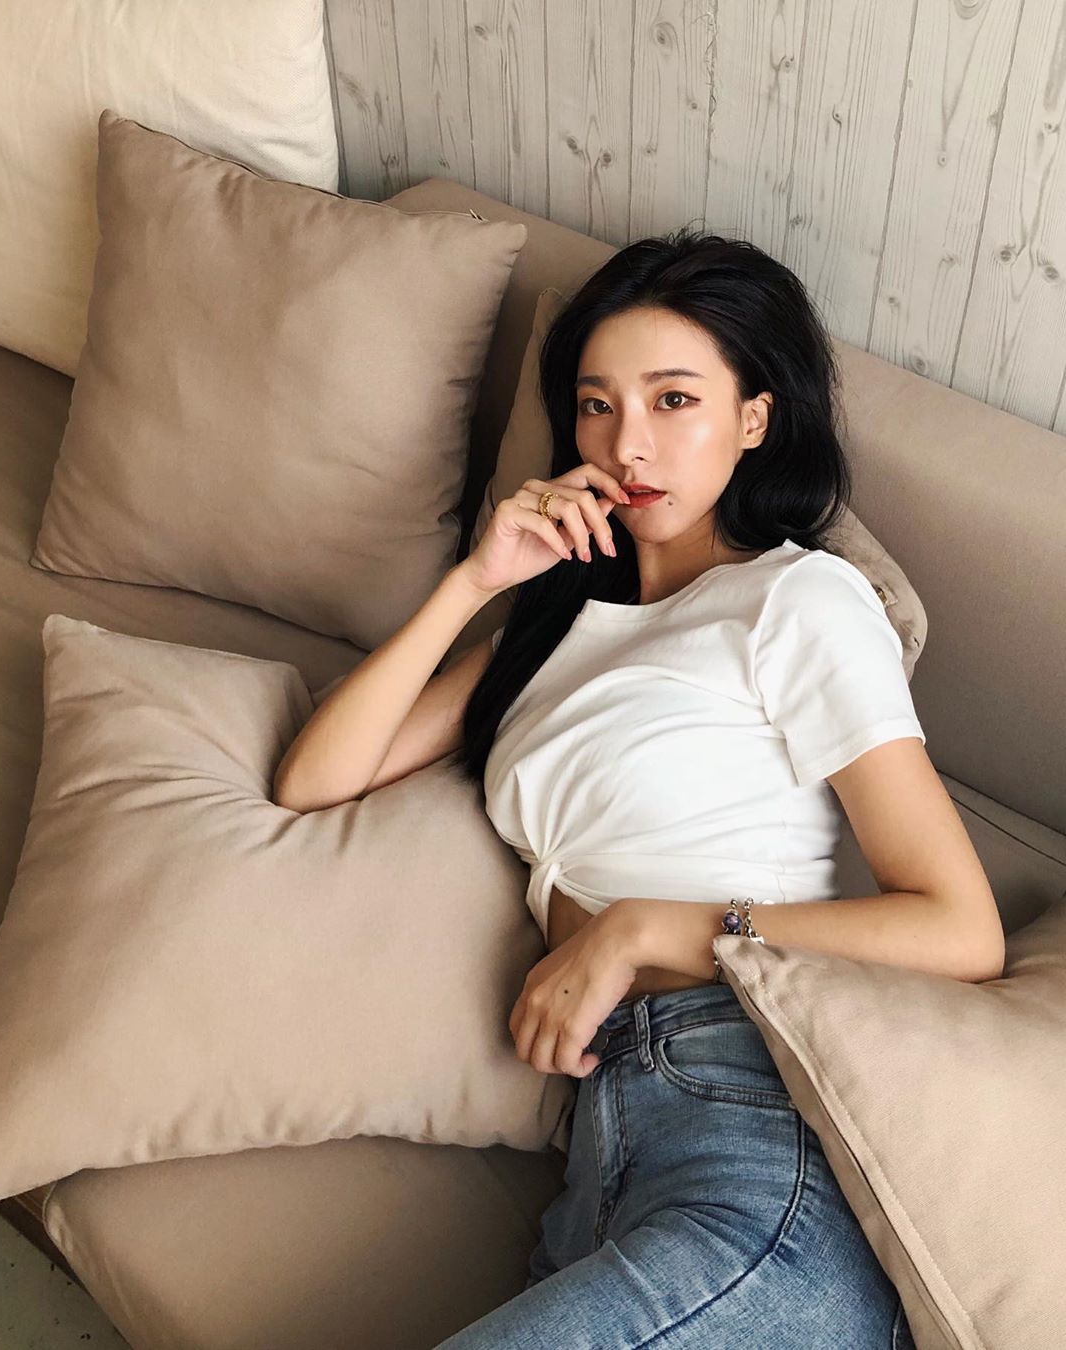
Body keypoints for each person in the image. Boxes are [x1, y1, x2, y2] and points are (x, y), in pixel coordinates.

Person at [274, 228, 1004, 1348]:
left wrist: (644, 928)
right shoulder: (553, 626)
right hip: (607, 1140)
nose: (629, 444)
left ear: (754, 419)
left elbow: (959, 929)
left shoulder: (799, 601)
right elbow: (315, 779)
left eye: (674, 400)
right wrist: (477, 579)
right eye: (596, 405)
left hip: (752, 1110)